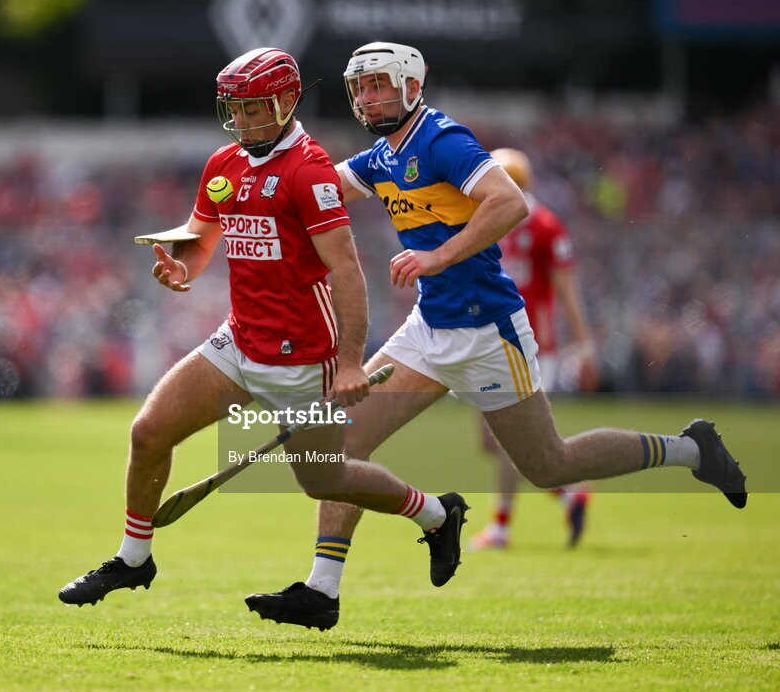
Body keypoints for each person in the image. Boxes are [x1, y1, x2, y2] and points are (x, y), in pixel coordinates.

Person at [245, 42, 747, 630]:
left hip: (488, 332)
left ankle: (691, 449)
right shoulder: (382, 156)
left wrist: (437, 257)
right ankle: (323, 589)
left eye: (379, 84)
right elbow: (318, 191)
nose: (368, 97)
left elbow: (508, 203)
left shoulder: (441, 140)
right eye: (359, 88)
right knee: (341, 445)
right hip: (427, 331)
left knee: (550, 465)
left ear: (411, 85)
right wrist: (247, 187)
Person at [58, 48, 468, 630]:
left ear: (284, 102)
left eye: (256, 110)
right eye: (236, 110)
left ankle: (434, 514)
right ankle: (133, 558)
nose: (245, 122)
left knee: (326, 480)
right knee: (149, 431)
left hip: (306, 356)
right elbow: (202, 237)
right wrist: (183, 269)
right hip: (239, 342)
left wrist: (350, 361)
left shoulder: (310, 171)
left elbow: (347, 272)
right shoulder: (223, 164)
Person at [469, 147, 599, 551]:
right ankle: (569, 494)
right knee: (493, 442)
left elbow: (567, 292)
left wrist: (584, 347)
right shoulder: (524, 220)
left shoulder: (540, 224)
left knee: (508, 439)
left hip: (522, 344)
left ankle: (501, 528)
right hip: (492, 342)